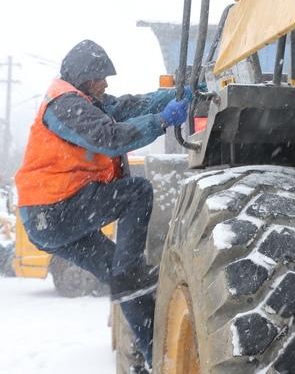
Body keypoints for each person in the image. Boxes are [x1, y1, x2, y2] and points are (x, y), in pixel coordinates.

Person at [15, 39, 189, 367]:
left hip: (51, 218)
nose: (105, 84)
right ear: (84, 76)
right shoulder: (65, 105)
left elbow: (130, 106)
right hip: (53, 210)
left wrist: (174, 96)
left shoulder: (86, 100)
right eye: (101, 78)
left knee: (128, 284)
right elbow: (109, 139)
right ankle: (129, 269)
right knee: (137, 193)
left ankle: (153, 359)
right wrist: (162, 121)